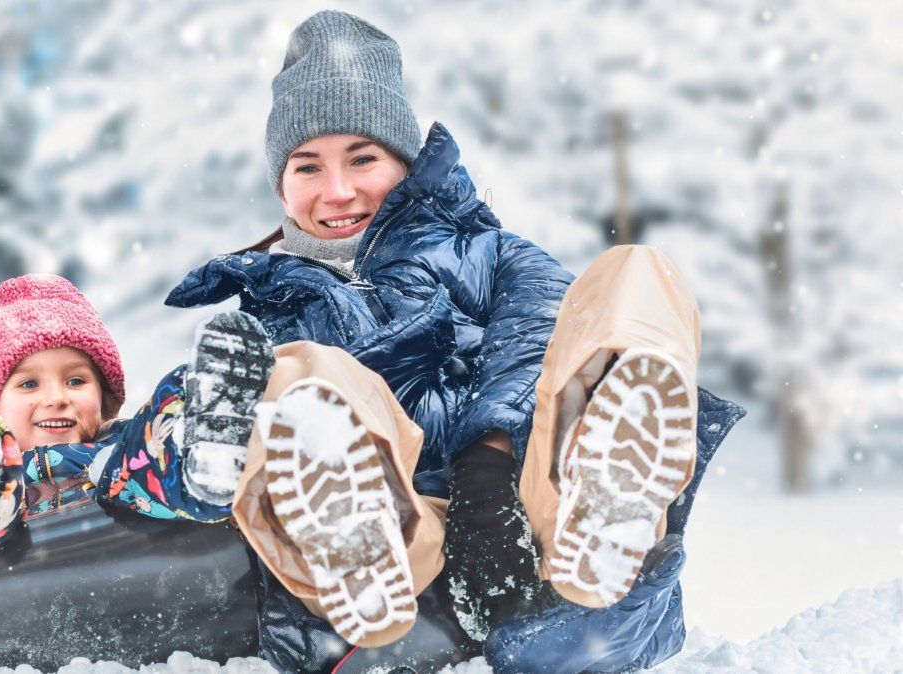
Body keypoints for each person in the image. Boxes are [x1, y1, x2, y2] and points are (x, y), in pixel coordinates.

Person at [166, 10, 744, 673]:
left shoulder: (493, 256)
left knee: (636, 275)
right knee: (290, 373)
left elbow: (540, 333)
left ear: (405, 163)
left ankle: (604, 511)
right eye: (307, 167)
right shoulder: (269, 309)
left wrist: (487, 463)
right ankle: (356, 548)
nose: (338, 190)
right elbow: (205, 430)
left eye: (363, 157)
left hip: (538, 517)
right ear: (281, 185)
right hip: (407, 550)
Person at [0, 274, 277, 670]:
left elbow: (135, 457)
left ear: (103, 397)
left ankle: (203, 456)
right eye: (29, 383)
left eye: (75, 380)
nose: (56, 398)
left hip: (144, 580)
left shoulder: (118, 453)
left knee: (143, 457)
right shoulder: (0, 479)